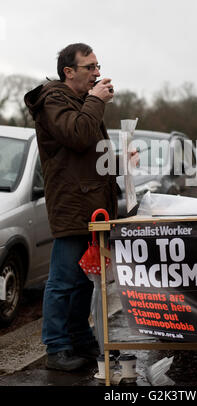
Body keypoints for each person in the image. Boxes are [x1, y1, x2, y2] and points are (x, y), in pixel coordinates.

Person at [24, 43, 124, 371]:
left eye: (98, 66)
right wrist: (96, 100)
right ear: (69, 72)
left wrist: (120, 162)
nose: (98, 73)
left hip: (92, 203)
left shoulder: (82, 102)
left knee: (85, 280)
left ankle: (81, 339)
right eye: (89, 67)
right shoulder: (54, 99)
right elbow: (77, 136)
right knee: (64, 279)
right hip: (71, 203)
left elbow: (87, 156)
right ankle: (57, 347)